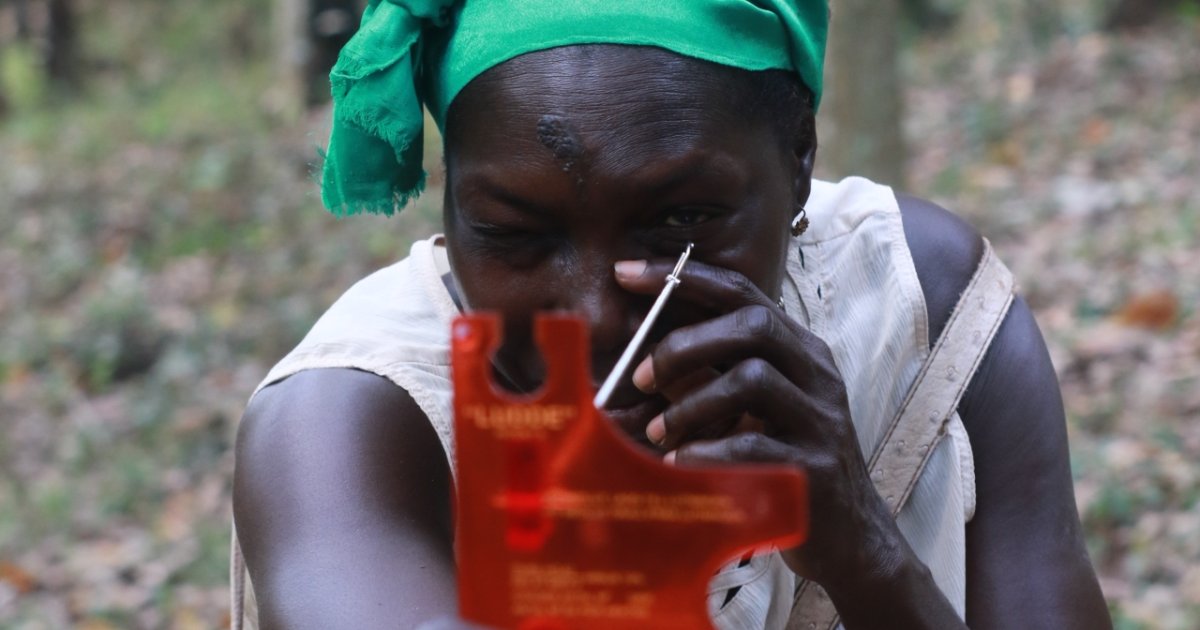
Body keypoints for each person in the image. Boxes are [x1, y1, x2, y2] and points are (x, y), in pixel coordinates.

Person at [231, 1, 1112, 628]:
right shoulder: (351, 419)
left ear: (800, 158)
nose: (595, 316)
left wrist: (862, 547)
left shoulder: (927, 314)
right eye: (514, 235)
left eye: (680, 222)